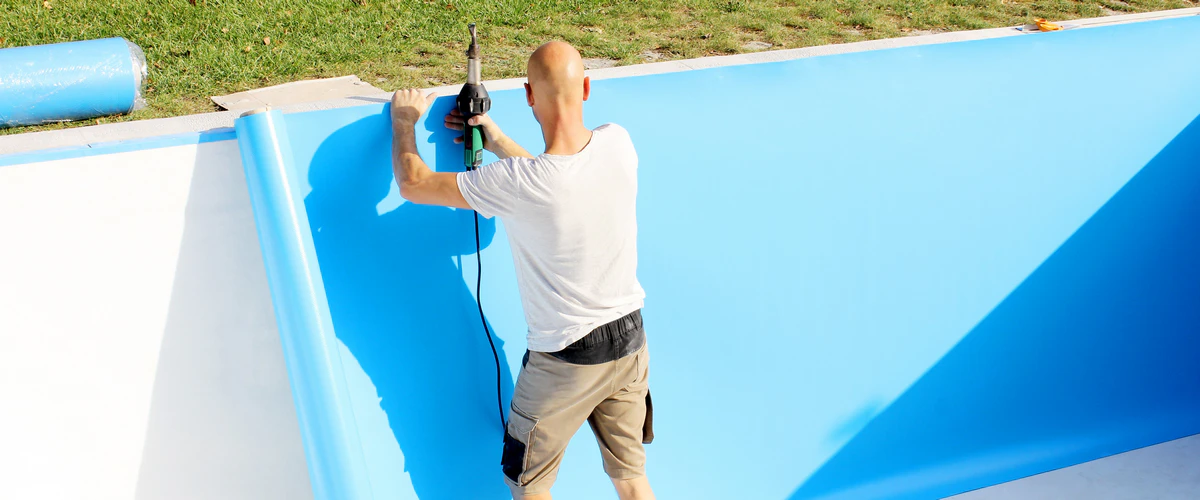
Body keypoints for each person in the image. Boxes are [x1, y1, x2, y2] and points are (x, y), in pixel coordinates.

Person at [389, 40, 655, 500]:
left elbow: (414, 184)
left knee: (529, 485)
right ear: (587, 87)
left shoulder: (518, 183)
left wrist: (404, 122)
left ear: (529, 95)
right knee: (631, 481)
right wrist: (494, 137)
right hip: (629, 343)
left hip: (566, 358)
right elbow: (557, 181)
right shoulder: (619, 141)